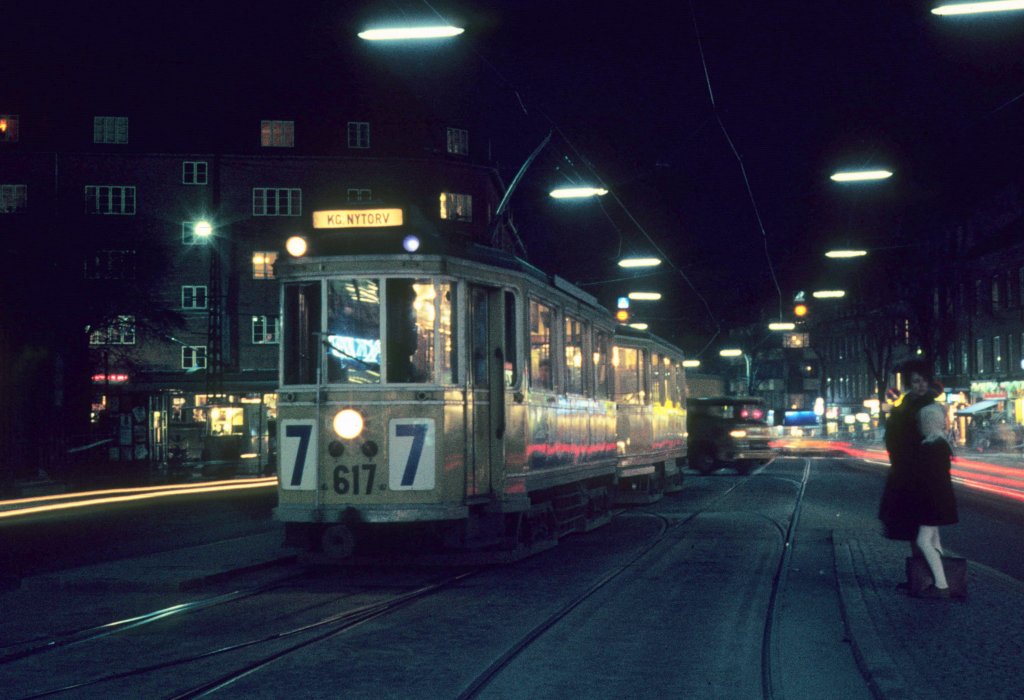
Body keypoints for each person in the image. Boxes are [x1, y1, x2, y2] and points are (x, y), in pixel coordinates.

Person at [878, 359, 959, 599]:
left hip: (914, 474)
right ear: (909, 384)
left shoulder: (926, 408)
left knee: (917, 530)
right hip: (905, 472)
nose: (921, 385)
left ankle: (930, 580)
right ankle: (921, 578)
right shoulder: (906, 406)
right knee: (915, 531)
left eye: (924, 380)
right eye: (916, 381)